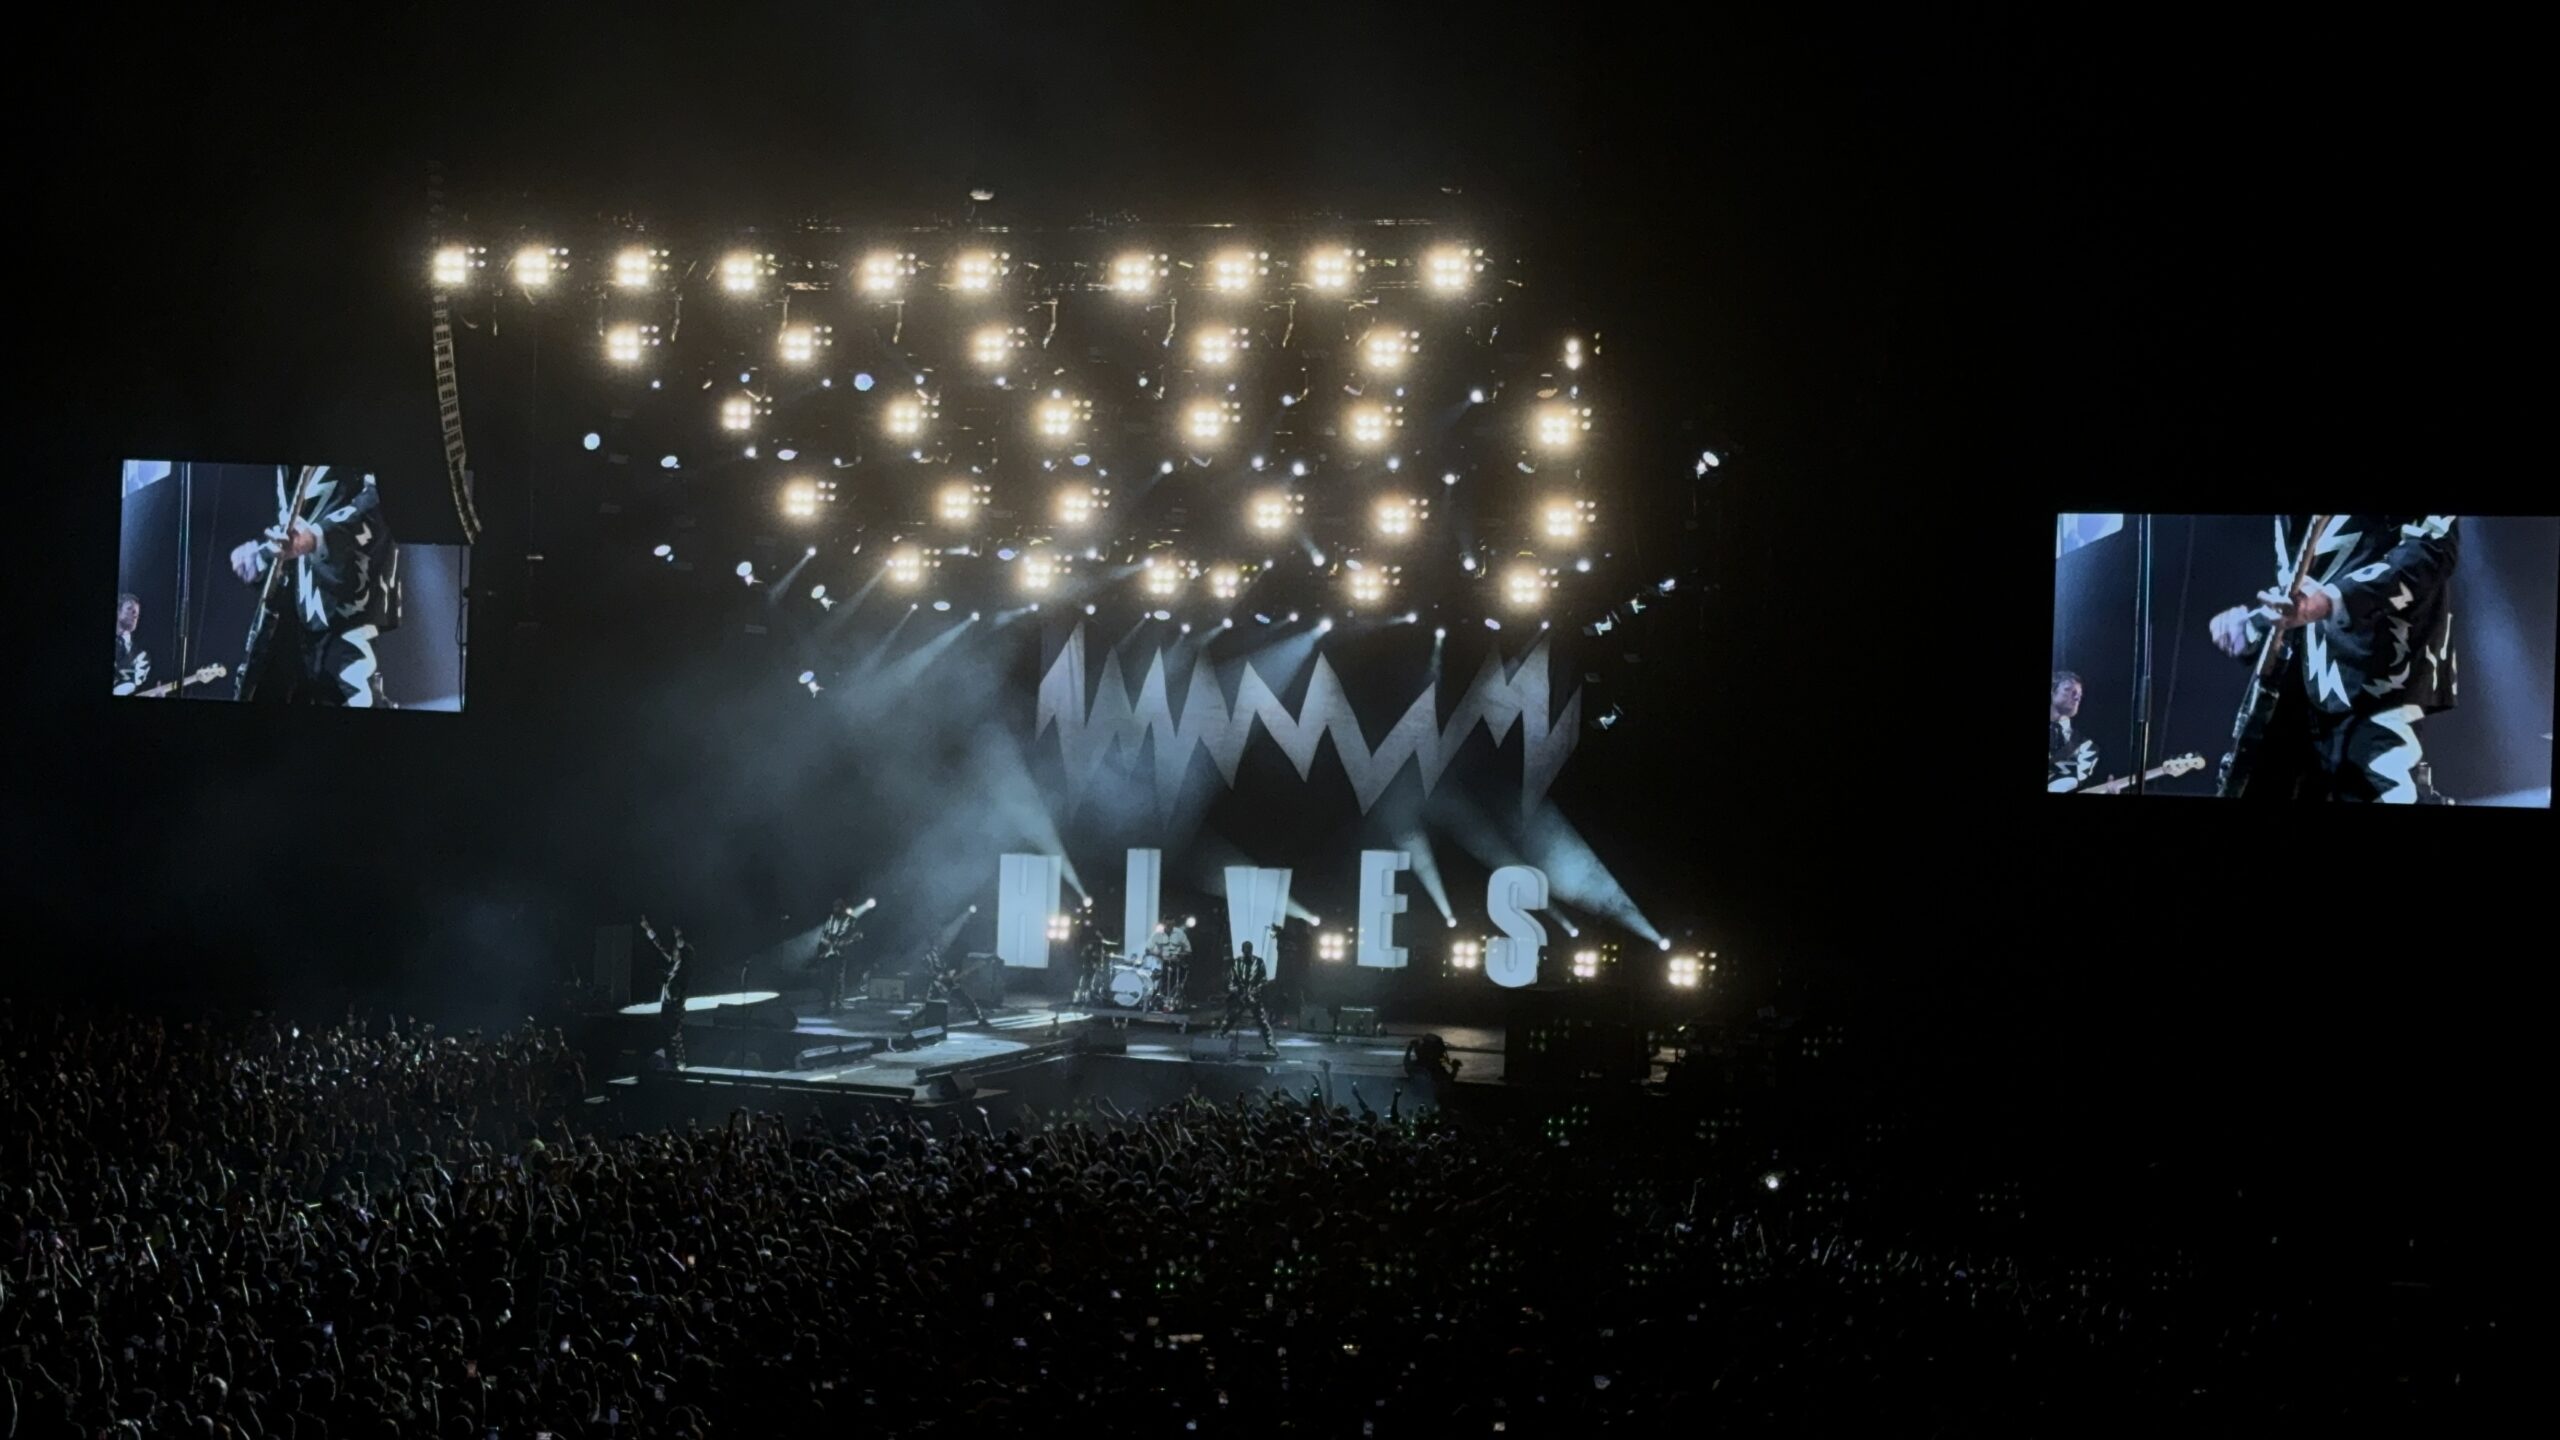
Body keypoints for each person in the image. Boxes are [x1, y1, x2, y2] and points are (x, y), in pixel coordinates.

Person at [2208, 515, 2459, 802]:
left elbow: (2431, 549)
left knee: (2385, 790)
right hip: (2297, 683)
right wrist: (2255, 625)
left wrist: (2331, 601)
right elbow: (2307, 576)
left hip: (2378, 673)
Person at [229, 465, 402, 705]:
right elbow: (297, 517)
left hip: (345, 599)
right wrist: (263, 556)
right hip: (290, 605)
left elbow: (385, 501)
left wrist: (316, 538)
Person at [640, 914, 693, 1066]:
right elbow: (659, 945)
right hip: (668, 1004)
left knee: (674, 1036)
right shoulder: (673, 962)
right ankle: (672, 1064)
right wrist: (648, 928)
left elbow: (682, 946)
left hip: (674, 1005)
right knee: (668, 1035)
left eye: (676, 948)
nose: (674, 950)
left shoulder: (685, 962)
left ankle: (679, 1065)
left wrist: (679, 934)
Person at [1217, 941, 1276, 1058]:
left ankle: (1271, 1047)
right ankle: (1218, 1039)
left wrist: (1255, 990)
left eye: (1248, 950)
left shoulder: (1259, 962)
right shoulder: (1237, 963)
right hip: (1240, 997)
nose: (1247, 952)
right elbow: (1231, 981)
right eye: (1245, 950)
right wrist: (1237, 991)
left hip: (1254, 997)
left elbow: (1263, 980)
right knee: (1230, 1018)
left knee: (1262, 1022)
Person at [2047, 671, 2097, 793]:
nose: (2076, 697)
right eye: (2069, 690)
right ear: (2053, 692)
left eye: (2079, 694)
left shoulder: (2087, 747)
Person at [923, 943, 988, 1026]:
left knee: (967, 1000)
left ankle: (980, 1018)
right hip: (938, 984)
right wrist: (941, 978)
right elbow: (929, 971)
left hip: (949, 984)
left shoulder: (943, 956)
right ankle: (910, 1020)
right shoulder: (929, 956)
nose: (942, 947)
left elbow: (947, 969)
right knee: (929, 1005)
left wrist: (952, 974)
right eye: (940, 946)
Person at [816, 899, 862, 1011]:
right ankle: (826, 1006)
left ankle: (838, 1005)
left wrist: (847, 942)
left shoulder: (851, 920)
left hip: (840, 953)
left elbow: (858, 935)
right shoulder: (830, 919)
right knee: (825, 981)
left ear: (843, 908)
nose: (836, 909)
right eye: (834, 907)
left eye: (838, 907)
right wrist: (827, 943)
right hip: (827, 954)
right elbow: (823, 936)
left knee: (838, 981)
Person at [112, 593, 151, 695]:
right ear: (118, 611)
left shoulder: (142, 656)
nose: (134, 614)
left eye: (137, 613)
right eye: (130, 609)